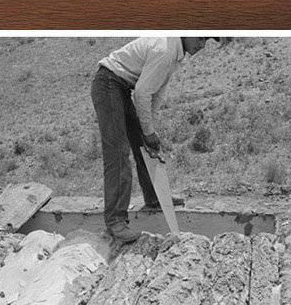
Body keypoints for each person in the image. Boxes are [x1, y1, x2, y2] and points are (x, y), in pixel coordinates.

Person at [91, 36, 216, 244]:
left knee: (143, 144)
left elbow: (156, 93)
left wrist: (148, 131)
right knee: (118, 154)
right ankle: (116, 222)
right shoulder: (165, 50)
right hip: (109, 85)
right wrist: (148, 131)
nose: (202, 46)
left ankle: (154, 198)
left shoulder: (175, 53)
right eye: (201, 39)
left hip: (121, 88)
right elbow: (142, 93)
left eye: (206, 42)